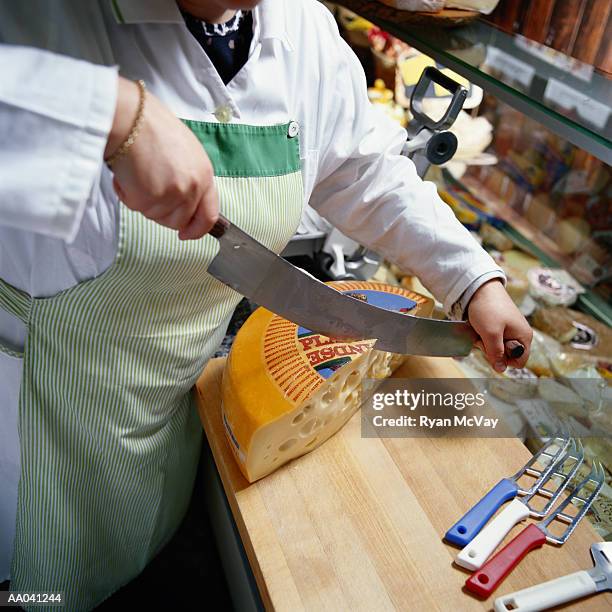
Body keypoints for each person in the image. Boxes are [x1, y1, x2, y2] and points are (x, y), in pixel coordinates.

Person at [0, 0, 533, 608]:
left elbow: (361, 171)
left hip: (162, 423)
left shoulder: (299, 23)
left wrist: (470, 279)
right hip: (27, 427)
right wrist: (115, 115)